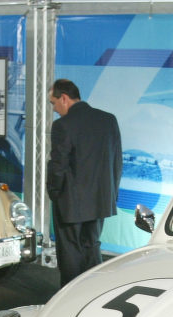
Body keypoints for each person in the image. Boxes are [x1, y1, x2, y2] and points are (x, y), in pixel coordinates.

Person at [46, 79, 122, 286]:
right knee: (92, 247)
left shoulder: (63, 125)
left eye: (53, 103)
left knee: (70, 251)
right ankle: (91, 295)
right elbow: (117, 162)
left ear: (64, 98)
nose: (53, 109)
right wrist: (111, 195)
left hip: (70, 201)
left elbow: (58, 164)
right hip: (100, 200)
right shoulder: (108, 120)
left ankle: (68, 298)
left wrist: (54, 192)